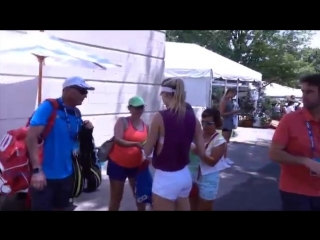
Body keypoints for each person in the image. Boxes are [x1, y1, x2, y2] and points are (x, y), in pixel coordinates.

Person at [25, 76, 94, 211]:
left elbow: (74, 140)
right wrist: (37, 170)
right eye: (82, 91)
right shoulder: (49, 107)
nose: (85, 95)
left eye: (86, 92)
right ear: (67, 90)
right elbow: (31, 137)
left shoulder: (76, 112)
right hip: (44, 177)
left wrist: (86, 131)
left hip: (67, 175)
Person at [142, 77, 206, 211]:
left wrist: (140, 147)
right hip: (184, 175)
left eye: (162, 95)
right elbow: (201, 150)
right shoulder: (194, 119)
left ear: (166, 94)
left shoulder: (160, 117)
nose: (162, 99)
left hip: (166, 178)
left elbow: (147, 150)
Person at [269, 74, 320, 211]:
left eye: (309, 92)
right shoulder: (290, 120)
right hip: (295, 190)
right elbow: (274, 153)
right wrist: (304, 161)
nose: (304, 96)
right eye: (303, 91)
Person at [107, 96, 148, 211]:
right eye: (136, 107)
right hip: (117, 164)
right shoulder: (123, 121)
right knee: (116, 198)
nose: (139, 110)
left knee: (140, 197)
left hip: (136, 165)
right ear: (129, 108)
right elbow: (117, 139)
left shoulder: (146, 126)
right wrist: (135, 144)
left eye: (141, 107)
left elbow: (148, 144)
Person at [189, 108, 228, 211]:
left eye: (209, 123)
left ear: (217, 123)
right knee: (192, 207)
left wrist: (198, 151)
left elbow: (212, 162)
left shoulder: (219, 141)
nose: (204, 126)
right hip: (192, 176)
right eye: (203, 122)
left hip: (208, 179)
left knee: (204, 208)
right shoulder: (196, 135)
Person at [219, 88, 239, 160]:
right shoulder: (223, 100)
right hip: (226, 122)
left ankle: (225, 157)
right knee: (224, 141)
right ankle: (222, 158)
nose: (234, 96)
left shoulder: (229, 100)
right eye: (234, 94)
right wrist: (232, 112)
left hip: (230, 121)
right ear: (230, 92)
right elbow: (221, 113)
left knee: (227, 141)